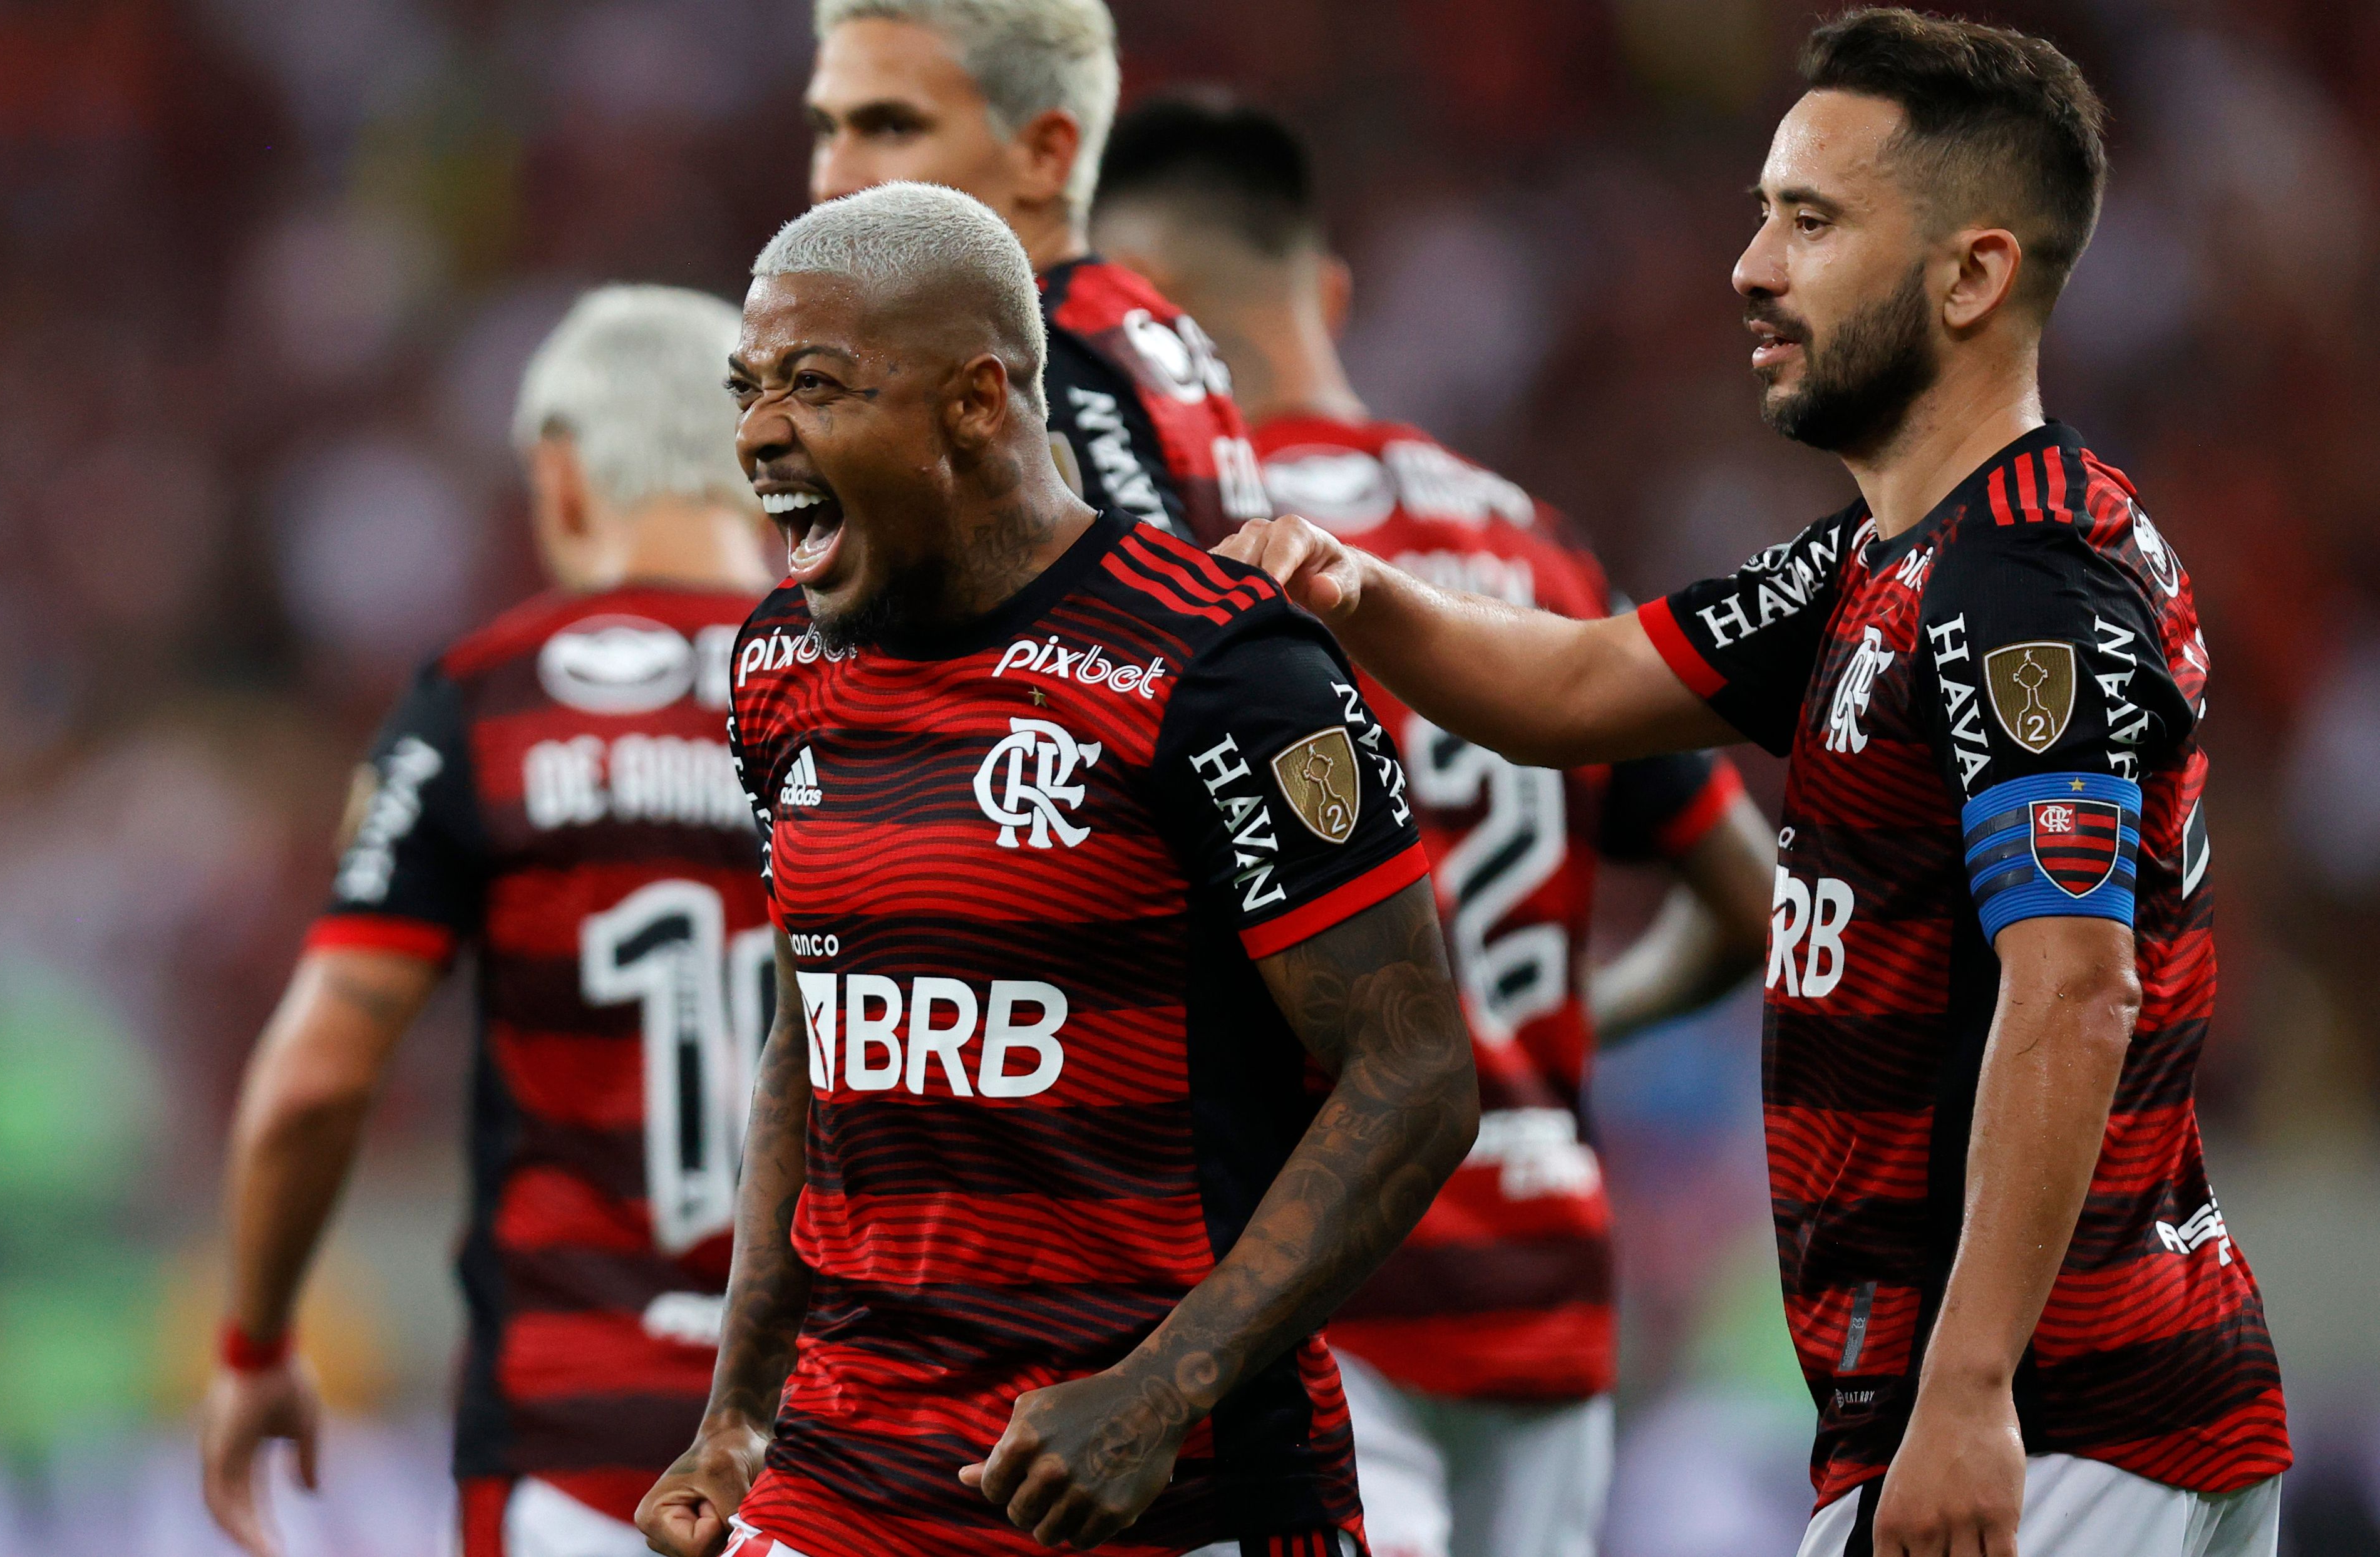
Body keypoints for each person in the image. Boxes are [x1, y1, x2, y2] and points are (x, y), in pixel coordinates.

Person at [1220, 11, 2289, 1557]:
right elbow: (1573, 686)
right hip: (2022, 1412)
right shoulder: (1881, 562)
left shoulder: (2025, 580)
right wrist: (1351, 592)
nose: (1751, 268)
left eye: (1809, 220)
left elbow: (2072, 989)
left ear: (1972, 275)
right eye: (1758, 216)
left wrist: (1968, 1388)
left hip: (2059, 1418)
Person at [635, 181, 1480, 1557]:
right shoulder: (778, 661)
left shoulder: (1219, 668)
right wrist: (739, 1414)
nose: (756, 433)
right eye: (746, 387)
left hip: (1165, 1490)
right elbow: (813, 1029)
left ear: (976, 400)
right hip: (850, 1478)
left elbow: (1415, 1077)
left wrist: (1155, 1395)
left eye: (814, 385)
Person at [1093, 98, 1777, 1557]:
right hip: (1546, 1278)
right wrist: (1578, 1018)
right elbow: (1746, 895)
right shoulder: (1531, 539)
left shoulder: (1195, 570)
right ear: (1324, 292)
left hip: (1329, 1288)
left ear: (1147, 345)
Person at [197, 285, 780, 1557]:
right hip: (851, 1454)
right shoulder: (892, 695)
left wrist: (257, 1345)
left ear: (563, 478)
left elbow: (314, 1080)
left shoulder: (483, 707)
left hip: (574, 1453)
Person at [803, 0, 1270, 545]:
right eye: (826, 129)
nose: (831, 180)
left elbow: (1154, 622)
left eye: (892, 127)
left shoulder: (1024, 360)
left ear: (1043, 154)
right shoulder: (1123, 323)